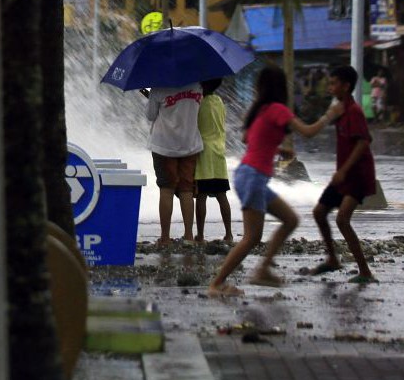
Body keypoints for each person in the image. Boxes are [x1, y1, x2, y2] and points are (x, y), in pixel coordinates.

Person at [208, 66, 339, 297]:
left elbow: (248, 138)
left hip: (247, 175)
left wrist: (277, 149)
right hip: (254, 177)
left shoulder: (259, 109)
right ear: (281, 88)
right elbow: (308, 132)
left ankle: (263, 269)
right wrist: (330, 114)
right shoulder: (278, 109)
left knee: (290, 219)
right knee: (251, 237)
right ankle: (217, 284)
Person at [308, 66, 377, 284]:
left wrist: (344, 170)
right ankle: (332, 258)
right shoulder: (340, 109)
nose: (330, 88)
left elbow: (364, 142)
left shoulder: (354, 111)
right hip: (343, 175)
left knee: (342, 219)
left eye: (334, 83)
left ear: (346, 86)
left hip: (356, 175)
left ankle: (365, 270)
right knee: (319, 212)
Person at [144, 82, 204, 247]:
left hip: (164, 146)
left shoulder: (159, 87)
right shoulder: (197, 86)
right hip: (190, 144)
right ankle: (189, 236)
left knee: (167, 188)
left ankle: (165, 237)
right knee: (187, 189)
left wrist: (149, 97)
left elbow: (150, 115)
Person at [194, 78, 233, 244]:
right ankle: (229, 234)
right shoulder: (219, 101)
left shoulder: (198, 103)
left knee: (201, 195)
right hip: (219, 151)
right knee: (221, 195)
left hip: (203, 152)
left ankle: (201, 235)